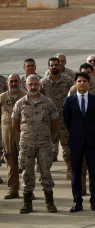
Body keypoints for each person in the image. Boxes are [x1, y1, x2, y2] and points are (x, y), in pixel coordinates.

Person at [12, 74, 58, 214]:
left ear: (39, 85)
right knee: (27, 173)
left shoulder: (48, 102)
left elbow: (54, 123)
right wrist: (28, 134)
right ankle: (27, 203)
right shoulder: (20, 103)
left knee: (45, 172)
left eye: (35, 84)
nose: (33, 87)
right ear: (26, 85)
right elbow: (15, 123)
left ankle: (49, 202)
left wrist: (44, 135)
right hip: (27, 144)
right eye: (30, 84)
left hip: (44, 144)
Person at [69, 63, 95, 196]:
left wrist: (94, 116)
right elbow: (68, 109)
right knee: (80, 160)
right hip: (79, 129)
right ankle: (81, 187)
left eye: (88, 72)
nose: (86, 75)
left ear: (92, 73)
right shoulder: (73, 89)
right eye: (83, 73)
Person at [63, 72, 95, 212]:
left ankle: (94, 201)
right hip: (76, 142)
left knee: (93, 172)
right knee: (76, 173)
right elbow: (67, 121)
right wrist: (77, 132)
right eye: (79, 81)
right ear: (75, 83)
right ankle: (77, 201)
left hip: (91, 141)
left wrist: (88, 132)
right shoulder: (69, 101)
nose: (82, 83)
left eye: (84, 81)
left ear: (88, 83)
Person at [40, 57, 74, 178]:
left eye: (56, 65)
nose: (54, 67)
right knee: (47, 148)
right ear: (48, 67)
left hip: (64, 120)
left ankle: (70, 169)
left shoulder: (68, 81)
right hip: (48, 122)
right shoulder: (43, 82)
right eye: (52, 65)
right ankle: (45, 171)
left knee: (67, 147)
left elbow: (73, 99)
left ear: (60, 66)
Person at [1, 74, 27, 199]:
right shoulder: (2, 97)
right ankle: (13, 189)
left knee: (26, 162)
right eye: (11, 81)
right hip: (8, 135)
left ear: (20, 82)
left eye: (16, 81)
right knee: (10, 162)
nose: (14, 83)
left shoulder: (26, 96)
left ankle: (28, 190)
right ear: (7, 83)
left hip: (24, 133)